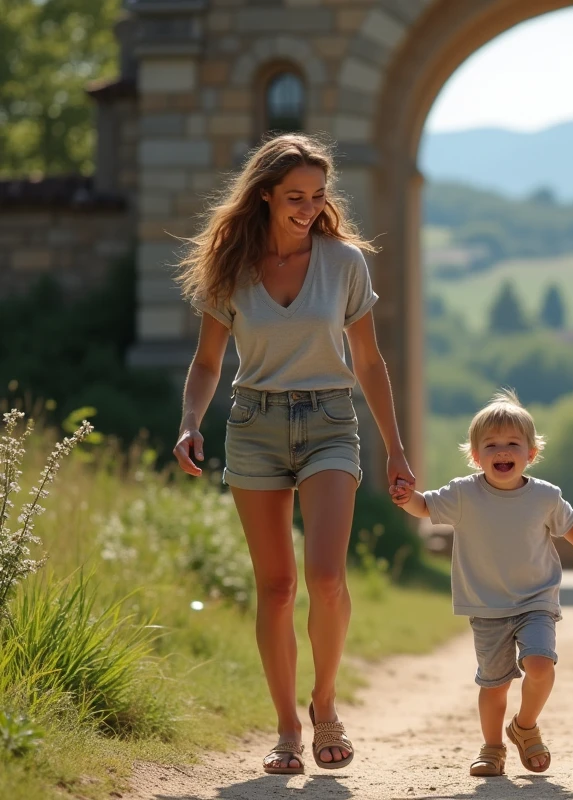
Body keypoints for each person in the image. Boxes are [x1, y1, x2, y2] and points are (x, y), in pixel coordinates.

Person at [173, 133, 415, 774]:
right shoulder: (231, 265)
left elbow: (369, 360)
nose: (309, 208)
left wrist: (396, 450)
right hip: (253, 424)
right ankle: (286, 729)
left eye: (317, 196)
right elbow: (207, 362)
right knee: (276, 588)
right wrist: (190, 421)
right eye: (295, 197)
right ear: (265, 195)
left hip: (331, 420)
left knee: (327, 578)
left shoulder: (345, 263)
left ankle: (325, 705)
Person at [390, 389, 573, 777]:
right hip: (486, 605)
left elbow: (571, 524)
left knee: (540, 664)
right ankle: (492, 748)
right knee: (494, 685)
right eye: (491, 445)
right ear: (476, 456)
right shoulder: (463, 494)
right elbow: (424, 506)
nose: (502, 451)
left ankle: (524, 726)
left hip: (536, 600)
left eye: (512, 444)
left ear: (530, 453)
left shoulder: (545, 496)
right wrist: (406, 497)